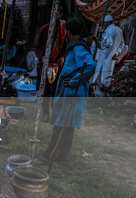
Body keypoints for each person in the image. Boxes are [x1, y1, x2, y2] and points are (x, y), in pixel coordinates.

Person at [34, 18, 96, 164]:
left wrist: (75, 80)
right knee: (68, 126)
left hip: (72, 94)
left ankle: (49, 156)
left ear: (68, 32)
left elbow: (91, 65)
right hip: (72, 94)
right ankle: (63, 156)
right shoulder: (77, 46)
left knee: (60, 126)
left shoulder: (78, 48)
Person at [36, 6, 67, 121]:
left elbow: (68, 48)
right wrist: (42, 57)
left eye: (57, 15)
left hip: (58, 66)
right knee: (45, 91)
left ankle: (55, 114)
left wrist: (63, 57)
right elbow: (38, 48)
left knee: (56, 91)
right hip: (45, 65)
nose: (54, 17)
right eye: (52, 14)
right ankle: (45, 113)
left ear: (61, 15)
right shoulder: (44, 29)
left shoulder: (64, 30)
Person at [91, 15, 124, 96]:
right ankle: (102, 95)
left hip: (105, 58)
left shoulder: (109, 31)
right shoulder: (119, 30)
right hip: (110, 58)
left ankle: (101, 96)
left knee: (102, 79)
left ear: (106, 22)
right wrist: (117, 53)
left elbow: (108, 44)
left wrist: (103, 33)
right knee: (106, 78)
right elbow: (122, 44)